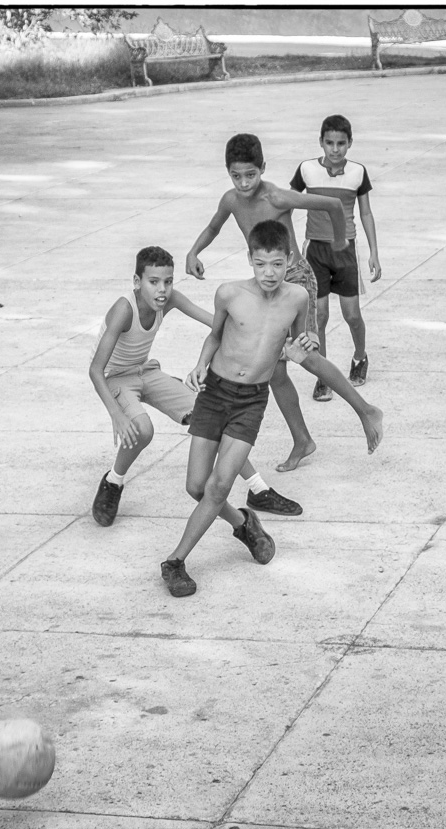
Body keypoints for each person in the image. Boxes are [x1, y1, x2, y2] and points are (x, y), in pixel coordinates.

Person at [162, 220, 381, 598]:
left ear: (289, 259)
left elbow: (304, 338)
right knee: (197, 487)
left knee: (219, 486)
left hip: (251, 401)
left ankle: (175, 561)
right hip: (214, 393)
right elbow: (214, 336)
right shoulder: (229, 294)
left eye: (277, 264)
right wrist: (200, 365)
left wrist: (305, 344)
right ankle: (245, 524)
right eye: (261, 263)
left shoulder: (297, 297)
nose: (269, 272)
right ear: (250, 259)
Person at [185, 133, 381, 472]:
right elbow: (214, 226)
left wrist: (339, 241)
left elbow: (333, 206)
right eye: (236, 176)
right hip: (267, 279)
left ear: (263, 167)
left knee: (305, 355)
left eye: (250, 174)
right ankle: (302, 439)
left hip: (294, 279)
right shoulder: (231, 200)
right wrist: (194, 251)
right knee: (274, 371)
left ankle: (366, 411)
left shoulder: (277, 197)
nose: (244, 183)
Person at [89, 245, 302, 528]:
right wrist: (116, 414)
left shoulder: (169, 299)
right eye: (153, 282)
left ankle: (258, 489)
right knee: (143, 430)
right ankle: (113, 481)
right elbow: (95, 370)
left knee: (212, 416)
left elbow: (214, 323)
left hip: (145, 370)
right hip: (115, 377)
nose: (162, 289)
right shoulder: (123, 309)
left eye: (168, 281)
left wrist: (264, 336)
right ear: (137, 282)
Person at [290, 114, 381, 400]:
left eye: (341, 143)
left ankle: (360, 356)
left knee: (352, 315)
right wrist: (288, 247)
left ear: (350, 143)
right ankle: (324, 375)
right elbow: (286, 203)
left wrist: (374, 252)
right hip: (315, 251)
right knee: (319, 316)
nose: (335, 149)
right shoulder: (306, 170)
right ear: (321, 142)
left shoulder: (358, 172)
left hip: (345, 251)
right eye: (329, 143)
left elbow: (365, 213)